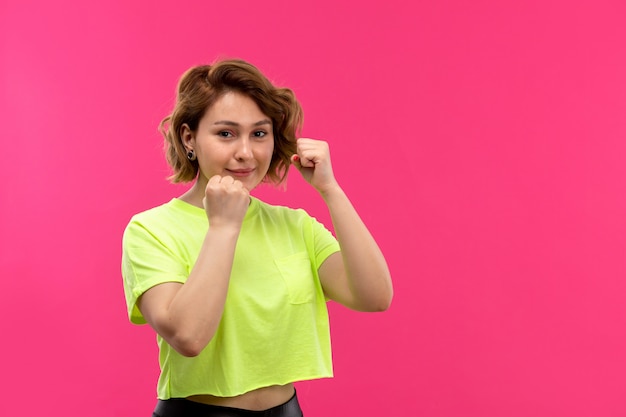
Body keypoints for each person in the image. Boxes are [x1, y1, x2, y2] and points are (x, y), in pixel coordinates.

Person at [121, 59, 393, 417]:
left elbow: (374, 296)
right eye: (226, 133)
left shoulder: (294, 225)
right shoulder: (152, 230)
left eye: (259, 134)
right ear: (189, 138)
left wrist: (330, 190)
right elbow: (188, 337)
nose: (245, 153)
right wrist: (223, 228)